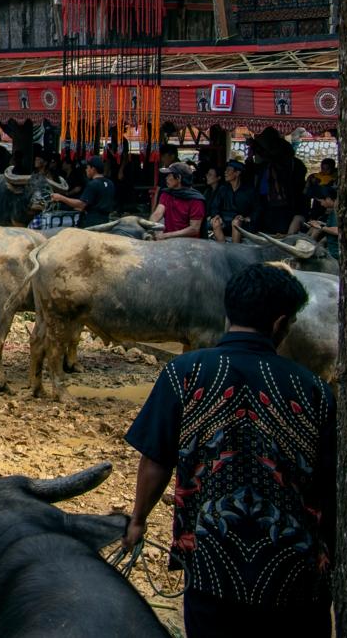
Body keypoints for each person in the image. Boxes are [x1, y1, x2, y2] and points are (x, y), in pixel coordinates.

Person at [122, 264, 335, 637]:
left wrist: (138, 520)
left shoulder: (184, 373)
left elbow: (155, 460)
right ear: (280, 323)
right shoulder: (313, 390)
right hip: (293, 576)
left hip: (212, 565)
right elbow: (330, 483)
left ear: (228, 313)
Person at [51, 156, 117, 228]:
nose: (86, 170)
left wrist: (61, 198)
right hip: (105, 222)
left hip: (92, 223)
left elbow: (81, 205)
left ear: (93, 169)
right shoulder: (110, 183)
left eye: (87, 167)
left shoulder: (93, 184)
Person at [150, 161, 205, 240]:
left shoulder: (196, 200)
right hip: (169, 241)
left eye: (169, 175)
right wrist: (149, 227)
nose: (166, 178)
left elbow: (194, 229)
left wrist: (166, 235)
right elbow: (157, 214)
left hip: (189, 243)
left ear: (178, 178)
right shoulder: (166, 194)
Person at [211, 158, 258, 242]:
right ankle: (223, 250)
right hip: (225, 220)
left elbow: (257, 208)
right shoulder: (223, 189)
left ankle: (234, 249)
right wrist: (216, 215)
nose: (225, 172)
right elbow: (214, 206)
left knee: (236, 223)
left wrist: (248, 218)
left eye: (229, 170)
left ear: (237, 173)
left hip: (241, 221)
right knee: (216, 222)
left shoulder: (249, 191)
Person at [304, 186, 339, 259]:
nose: (321, 204)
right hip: (332, 251)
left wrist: (320, 227)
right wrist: (321, 224)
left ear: (328, 199)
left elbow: (338, 230)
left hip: (336, 254)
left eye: (321, 201)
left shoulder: (337, 210)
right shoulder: (333, 210)